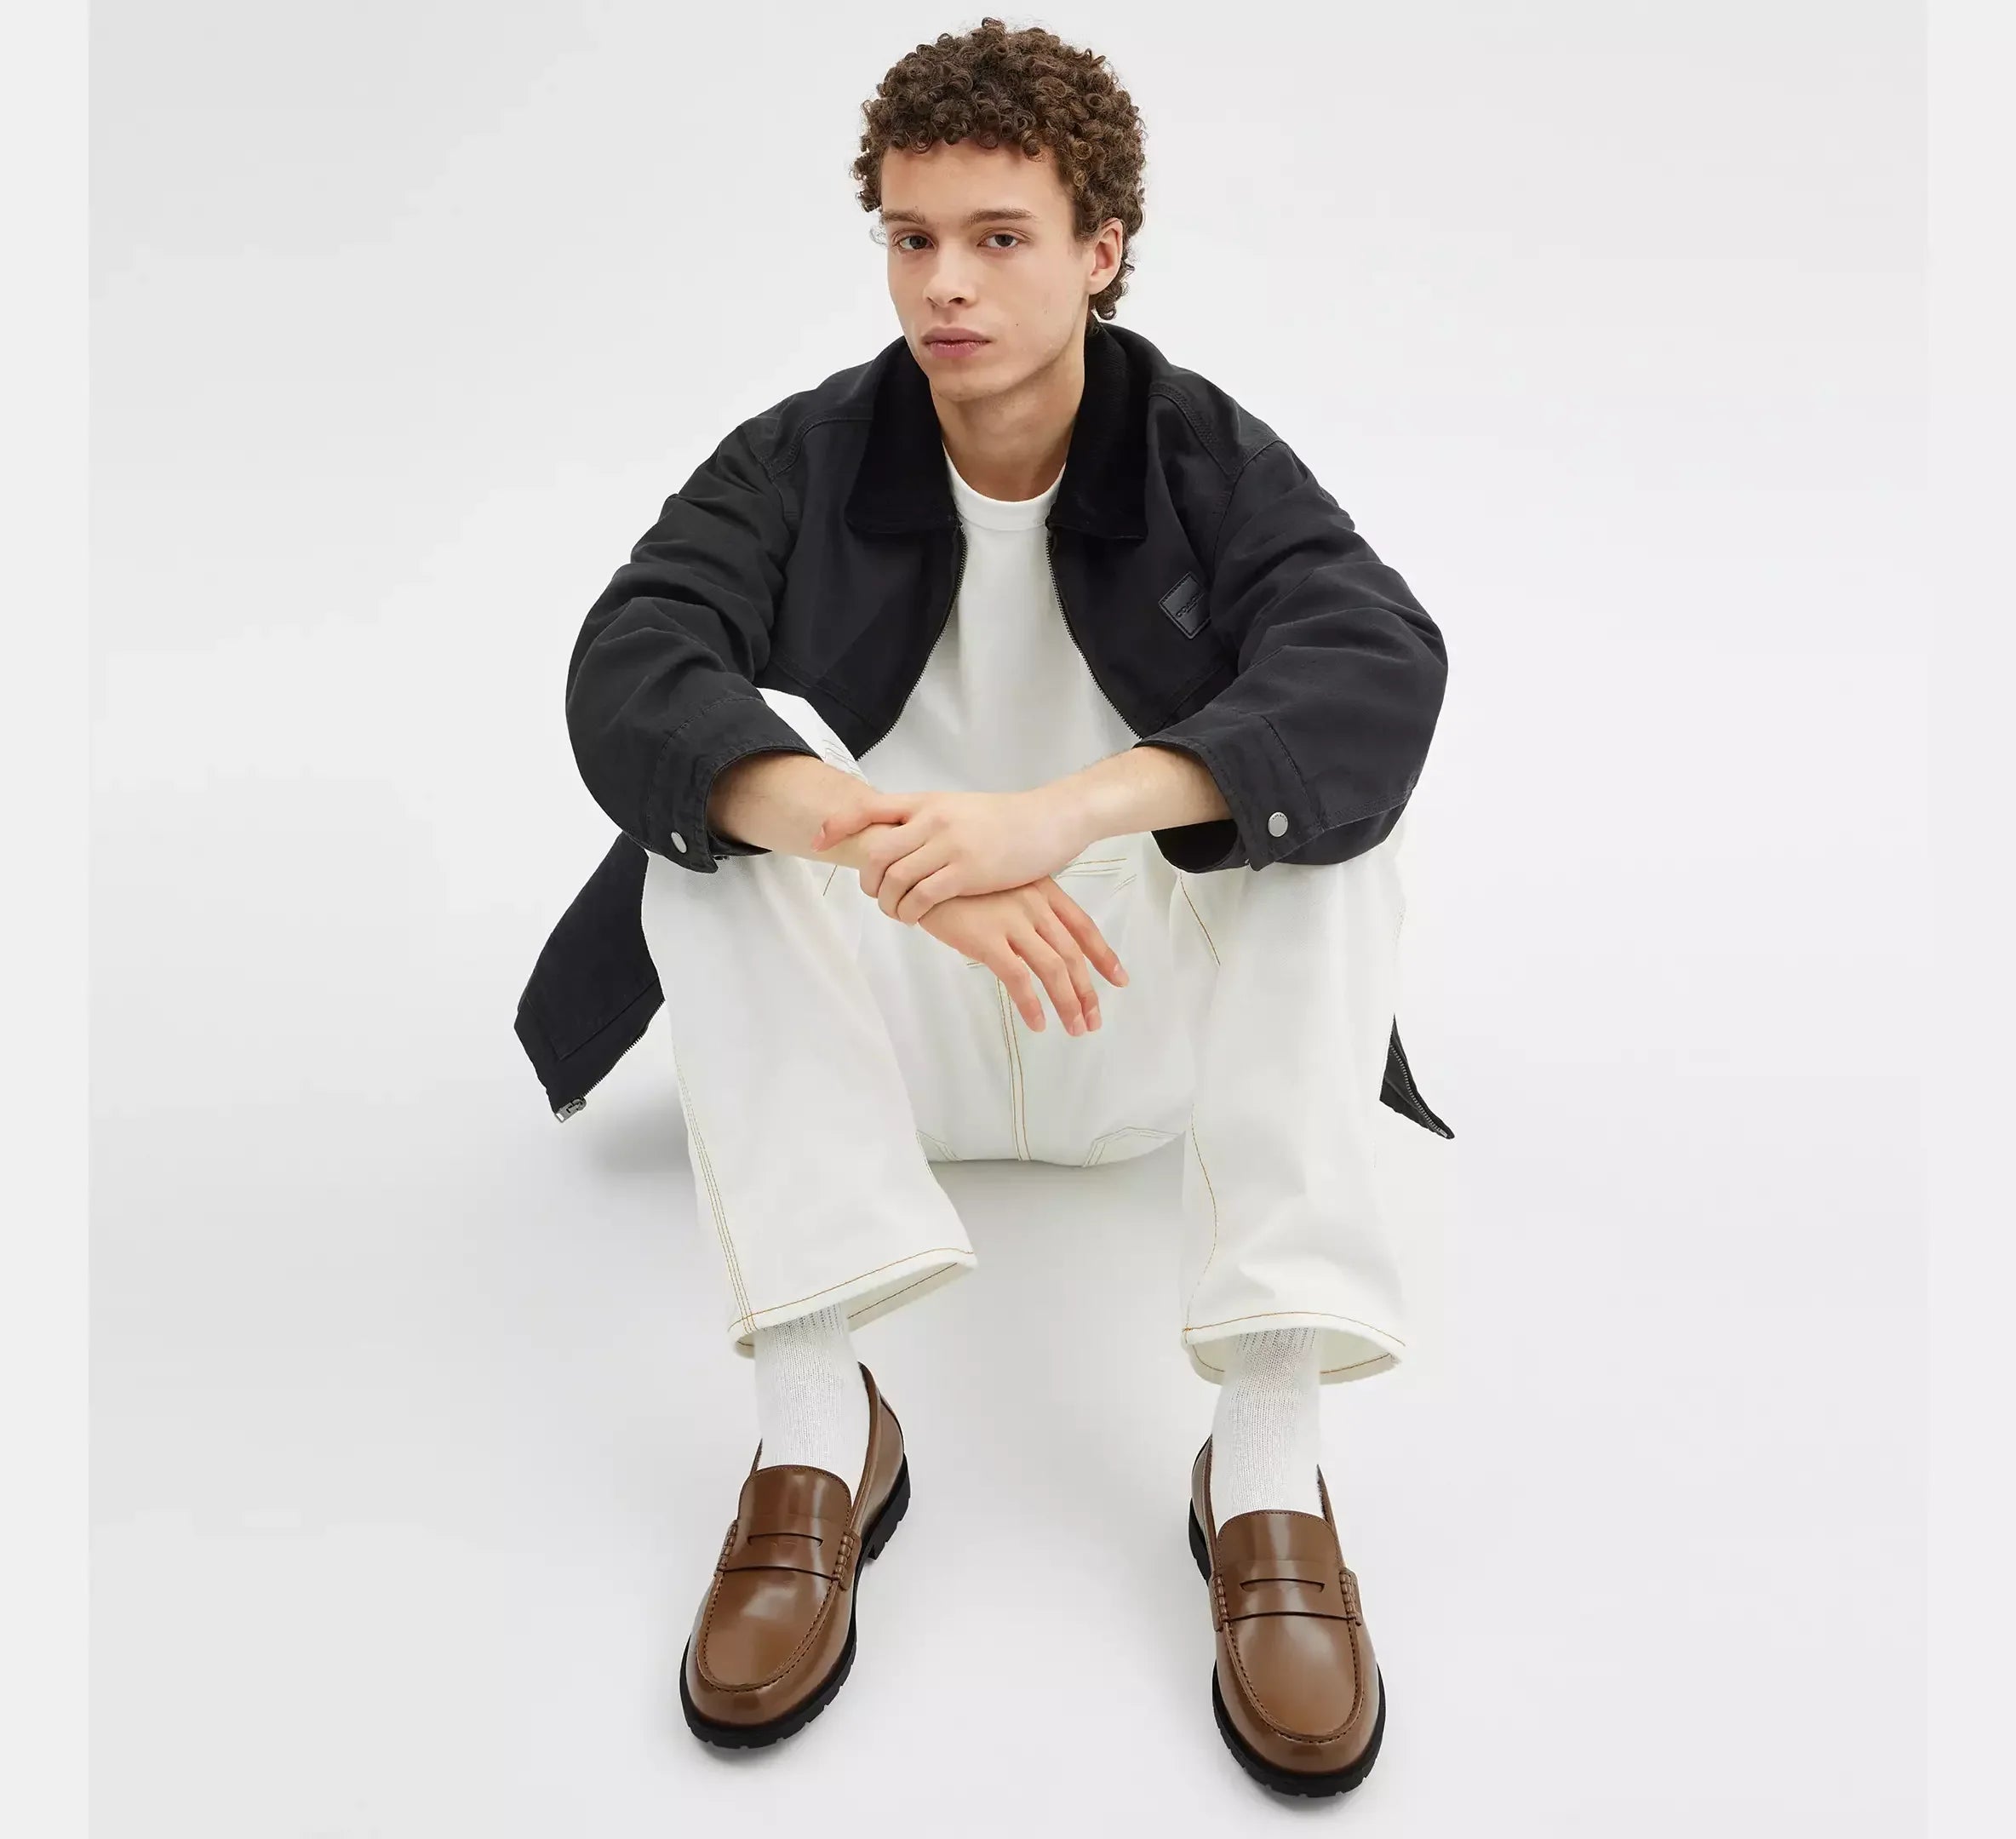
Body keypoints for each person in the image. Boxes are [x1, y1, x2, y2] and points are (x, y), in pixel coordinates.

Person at [516, 16, 1452, 1798]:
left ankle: (1265, 1458)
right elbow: (628, 665)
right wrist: (892, 853)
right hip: (895, 1027)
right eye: (911, 235)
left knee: (1328, 821)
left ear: (1100, 249)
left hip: (1127, 1017)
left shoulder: (1197, 452)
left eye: (998, 236)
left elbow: (1376, 667)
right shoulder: (803, 456)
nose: (943, 282)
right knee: (720, 792)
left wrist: (1059, 817)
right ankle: (817, 1434)